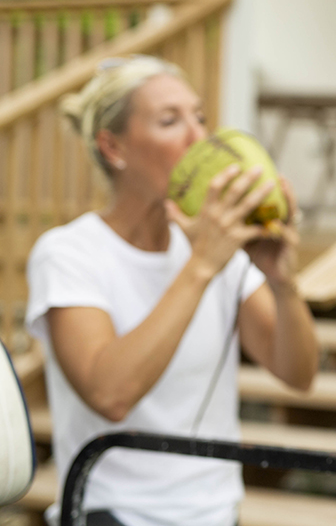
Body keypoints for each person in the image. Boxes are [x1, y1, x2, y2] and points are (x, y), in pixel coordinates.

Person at [25, 55, 319, 526]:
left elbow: (298, 373)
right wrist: (201, 264)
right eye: (169, 121)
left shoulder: (216, 250)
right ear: (113, 147)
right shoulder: (68, 253)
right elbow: (110, 393)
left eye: (199, 118)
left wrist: (283, 285)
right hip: (111, 513)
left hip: (218, 513)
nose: (197, 137)